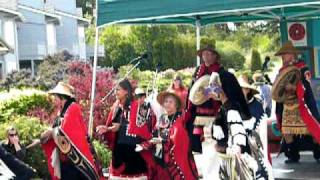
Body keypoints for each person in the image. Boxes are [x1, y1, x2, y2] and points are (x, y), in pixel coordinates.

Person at [41, 82, 101, 180]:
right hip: (66, 159)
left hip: (77, 159)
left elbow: (66, 129)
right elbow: (58, 128)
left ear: (62, 97)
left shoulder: (73, 107)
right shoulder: (61, 112)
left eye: (56, 97)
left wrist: (52, 132)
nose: (55, 100)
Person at [96, 79, 155, 179]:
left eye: (118, 89)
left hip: (135, 152)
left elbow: (145, 129)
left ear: (126, 91)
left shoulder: (138, 107)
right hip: (120, 152)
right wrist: (106, 128)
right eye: (115, 89)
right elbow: (116, 126)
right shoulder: (117, 107)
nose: (115, 92)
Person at [273, 41, 320, 163]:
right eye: (284, 54)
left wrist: (294, 88)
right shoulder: (281, 71)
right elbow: (278, 90)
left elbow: (307, 86)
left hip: (302, 105)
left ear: (293, 54)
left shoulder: (302, 67)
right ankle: (293, 156)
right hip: (287, 106)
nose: (285, 56)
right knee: (287, 131)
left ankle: (318, 155)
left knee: (313, 129)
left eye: (287, 53)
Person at [207, 72, 257, 180]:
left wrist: (237, 147)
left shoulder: (231, 108)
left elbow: (237, 129)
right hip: (227, 156)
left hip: (235, 157)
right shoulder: (224, 106)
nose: (213, 91)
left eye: (216, 87)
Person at [148, 90, 198, 180]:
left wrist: (163, 141)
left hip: (173, 163)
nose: (167, 104)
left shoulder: (179, 119)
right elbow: (155, 133)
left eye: (170, 102)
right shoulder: (162, 118)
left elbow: (181, 141)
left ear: (176, 105)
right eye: (166, 101)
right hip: (160, 159)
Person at [185, 44, 223, 153]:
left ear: (215, 56)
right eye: (204, 54)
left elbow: (220, 90)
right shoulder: (198, 70)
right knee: (194, 138)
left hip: (214, 109)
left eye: (209, 54)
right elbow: (192, 88)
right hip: (197, 109)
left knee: (211, 141)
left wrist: (208, 92)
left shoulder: (220, 71)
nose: (206, 56)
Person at [238, 76, 272, 179]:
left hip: (254, 147)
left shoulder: (257, 105)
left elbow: (260, 130)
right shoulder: (235, 105)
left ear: (248, 90)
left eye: (242, 89)